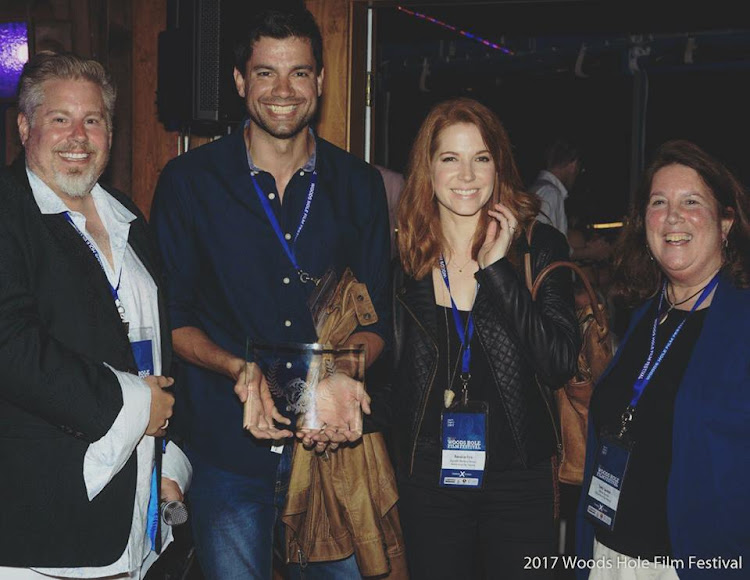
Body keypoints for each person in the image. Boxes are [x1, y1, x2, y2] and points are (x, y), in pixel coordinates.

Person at [150, 8, 391, 579]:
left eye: (299, 73)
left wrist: (343, 375)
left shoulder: (358, 185)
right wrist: (240, 369)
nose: (283, 91)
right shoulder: (189, 183)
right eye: (265, 73)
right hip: (228, 451)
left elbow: (379, 319)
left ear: (321, 81)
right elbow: (174, 318)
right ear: (239, 81)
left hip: (332, 450)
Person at [0, 51, 191, 578]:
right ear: (24, 127)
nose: (78, 136)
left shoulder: (128, 216)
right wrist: (136, 402)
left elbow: (158, 346)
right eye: (59, 119)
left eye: (93, 120)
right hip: (43, 518)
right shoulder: (8, 212)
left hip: (133, 503)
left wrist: (167, 456)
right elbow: (11, 348)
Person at [392, 97, 581, 579]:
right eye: (450, 159)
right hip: (428, 479)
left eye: (481, 158)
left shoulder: (538, 247)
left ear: (499, 166)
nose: (467, 175)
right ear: (428, 169)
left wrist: (498, 270)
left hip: (520, 479)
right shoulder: (404, 256)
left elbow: (558, 362)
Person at [576, 140, 750, 578]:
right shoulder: (647, 315)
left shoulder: (742, 322)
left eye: (691, 202)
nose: (672, 216)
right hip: (607, 556)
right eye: (659, 203)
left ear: (726, 221)